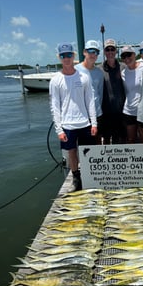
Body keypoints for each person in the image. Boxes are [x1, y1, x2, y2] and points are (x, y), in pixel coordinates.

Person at [49, 42, 97, 191]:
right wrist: (59, 130)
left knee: (87, 151)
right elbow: (54, 106)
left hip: (84, 123)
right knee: (71, 153)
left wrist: (93, 122)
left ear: (74, 56)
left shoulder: (84, 77)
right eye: (63, 56)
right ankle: (76, 177)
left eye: (69, 55)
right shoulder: (55, 80)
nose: (66, 58)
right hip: (67, 124)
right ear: (59, 57)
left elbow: (90, 100)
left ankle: (89, 176)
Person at [75, 40, 104, 144]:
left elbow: (100, 94)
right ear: (84, 52)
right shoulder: (75, 70)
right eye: (90, 51)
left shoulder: (99, 73)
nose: (93, 54)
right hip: (82, 117)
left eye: (95, 52)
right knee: (83, 146)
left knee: (97, 144)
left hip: (97, 115)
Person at [98, 38, 126, 144]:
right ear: (104, 52)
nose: (110, 52)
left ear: (116, 51)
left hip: (121, 111)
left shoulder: (124, 67)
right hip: (105, 112)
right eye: (107, 49)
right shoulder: (99, 69)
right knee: (105, 139)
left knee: (119, 139)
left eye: (112, 49)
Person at [120, 45, 143, 143]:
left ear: (134, 55)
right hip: (129, 111)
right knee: (130, 140)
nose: (127, 58)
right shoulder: (123, 73)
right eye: (124, 56)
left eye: (129, 55)